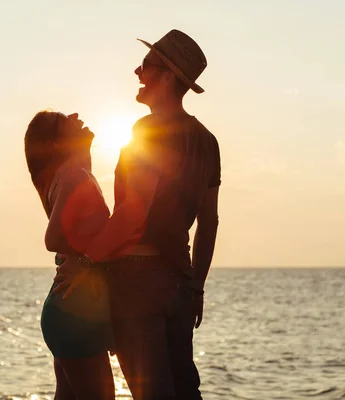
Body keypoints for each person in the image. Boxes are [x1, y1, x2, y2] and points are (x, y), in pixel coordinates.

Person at [54, 29, 221, 400]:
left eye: (146, 65)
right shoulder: (207, 141)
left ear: (166, 76)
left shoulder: (147, 132)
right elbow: (209, 222)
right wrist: (197, 287)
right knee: (184, 392)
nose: (137, 71)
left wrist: (85, 260)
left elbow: (133, 212)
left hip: (137, 283)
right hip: (180, 284)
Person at [24, 111, 115, 400]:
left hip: (69, 309)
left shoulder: (69, 173)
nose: (77, 119)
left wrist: (83, 146)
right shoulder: (73, 175)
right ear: (57, 144)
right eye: (68, 123)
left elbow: (80, 220)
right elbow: (54, 238)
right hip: (76, 312)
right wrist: (87, 259)